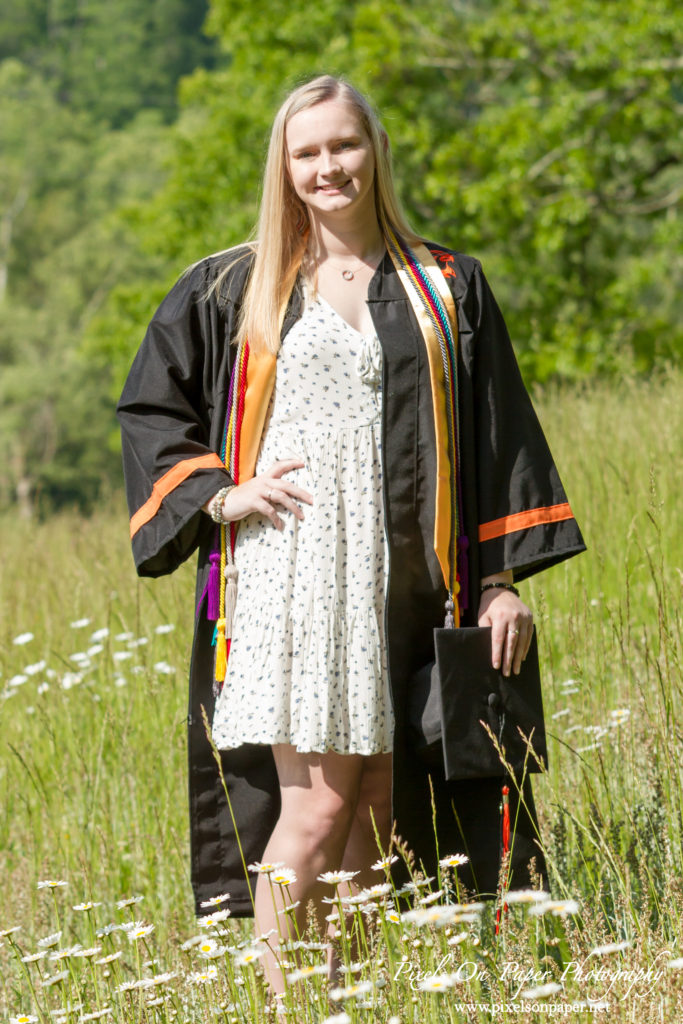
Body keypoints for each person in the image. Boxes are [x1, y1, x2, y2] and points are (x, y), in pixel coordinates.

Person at [117, 75, 585, 995]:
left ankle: (351, 998)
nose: (328, 167)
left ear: (374, 151)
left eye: (343, 146)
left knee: (375, 804)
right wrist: (218, 494)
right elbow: (150, 411)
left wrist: (497, 582)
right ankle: (275, 1004)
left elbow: (494, 440)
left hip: (408, 579)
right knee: (318, 803)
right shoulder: (231, 284)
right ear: (284, 169)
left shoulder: (445, 286)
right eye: (307, 153)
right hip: (296, 576)